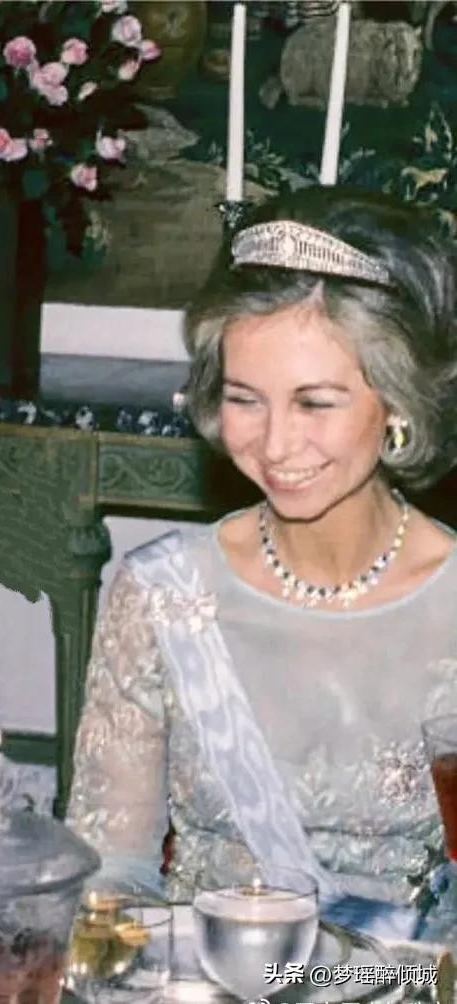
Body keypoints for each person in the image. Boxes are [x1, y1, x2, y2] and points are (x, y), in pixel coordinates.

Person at [66, 185, 457, 908]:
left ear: (399, 402)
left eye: (315, 402)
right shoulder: (162, 596)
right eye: (245, 398)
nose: (276, 445)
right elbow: (110, 874)